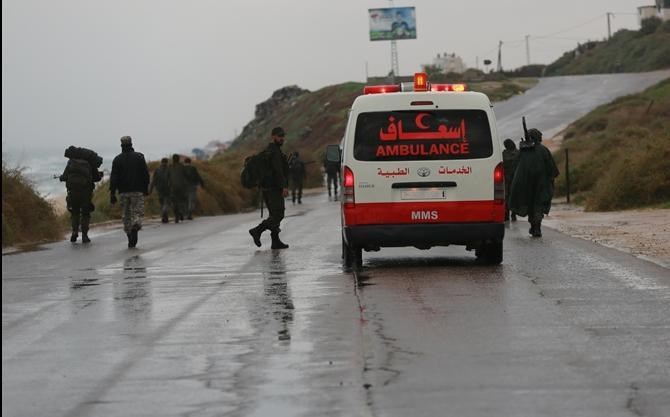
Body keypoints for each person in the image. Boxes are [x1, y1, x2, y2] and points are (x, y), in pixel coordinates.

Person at [509, 128, 559, 237]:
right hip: (541, 183)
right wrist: (551, 177)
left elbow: (514, 167)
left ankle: (534, 226)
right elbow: (551, 167)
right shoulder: (543, 150)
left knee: (530, 204)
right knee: (538, 205)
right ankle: (537, 227)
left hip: (525, 183)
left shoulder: (522, 151)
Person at [248, 126, 290, 249]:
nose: (282, 138)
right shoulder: (275, 152)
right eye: (279, 136)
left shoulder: (268, 151)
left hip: (267, 188)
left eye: (283, 136)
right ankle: (257, 230)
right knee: (278, 214)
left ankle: (275, 241)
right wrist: (284, 186)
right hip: (274, 189)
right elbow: (278, 171)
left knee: (273, 214)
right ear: (273, 137)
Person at [110, 136, 150, 248]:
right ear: (131, 144)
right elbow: (145, 174)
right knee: (137, 212)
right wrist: (146, 189)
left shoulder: (117, 159)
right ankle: (135, 226)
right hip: (137, 190)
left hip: (123, 192)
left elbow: (114, 178)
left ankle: (129, 234)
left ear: (121, 146)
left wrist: (112, 193)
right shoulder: (139, 157)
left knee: (126, 214)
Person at [60, 156, 96, 243]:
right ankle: (84, 235)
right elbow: (95, 178)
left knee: (74, 212)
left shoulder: (70, 163)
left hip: (73, 193)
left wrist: (61, 177)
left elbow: (64, 177)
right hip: (85, 193)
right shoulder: (88, 164)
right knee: (85, 214)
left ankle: (74, 232)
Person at [168, 154, 189, 223]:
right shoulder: (182, 166)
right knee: (181, 201)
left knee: (174, 202)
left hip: (172, 187)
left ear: (173, 159)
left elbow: (167, 177)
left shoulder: (170, 167)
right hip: (181, 187)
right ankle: (181, 212)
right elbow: (186, 176)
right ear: (178, 159)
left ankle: (177, 216)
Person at [502, 138, 519, 222]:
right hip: (508, 177)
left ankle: (512, 214)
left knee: (512, 196)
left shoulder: (515, 153)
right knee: (508, 196)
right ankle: (508, 214)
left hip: (513, 177)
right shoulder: (517, 152)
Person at [149, 158, 171, 223]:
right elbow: (172, 180)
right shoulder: (169, 170)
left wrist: (150, 190)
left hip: (159, 189)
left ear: (161, 162)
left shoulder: (157, 170)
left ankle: (164, 217)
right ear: (167, 162)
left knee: (162, 203)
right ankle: (164, 214)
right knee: (166, 203)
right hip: (167, 189)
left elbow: (153, 181)